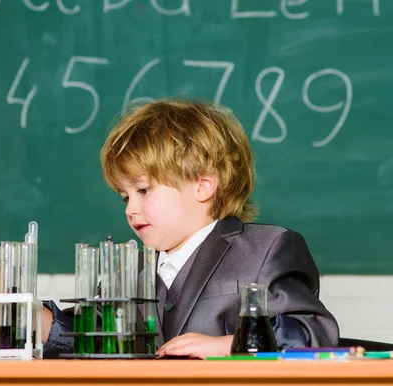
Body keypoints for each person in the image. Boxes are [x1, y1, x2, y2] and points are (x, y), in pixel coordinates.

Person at [41, 99, 339, 359]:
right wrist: (27, 314)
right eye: (125, 197)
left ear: (203, 185)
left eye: (143, 190)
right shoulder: (129, 271)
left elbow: (314, 333)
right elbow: (84, 339)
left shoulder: (265, 250)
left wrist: (230, 344)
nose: (131, 209)